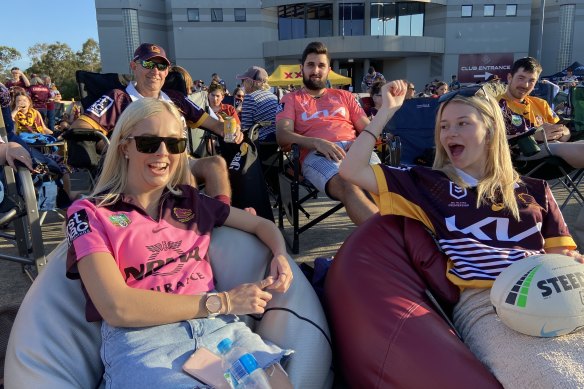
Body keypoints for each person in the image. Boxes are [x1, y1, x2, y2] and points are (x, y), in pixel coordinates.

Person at [339, 80, 584, 387]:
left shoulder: (535, 190)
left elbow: (561, 258)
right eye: (443, 126)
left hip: (554, 291)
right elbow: (350, 170)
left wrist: (573, 262)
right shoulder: (427, 183)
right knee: (557, 379)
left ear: (491, 129)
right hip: (488, 304)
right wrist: (386, 111)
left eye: (462, 123)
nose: (449, 133)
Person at [65, 98, 293, 388]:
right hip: (146, 339)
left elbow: (262, 225)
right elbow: (116, 307)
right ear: (124, 146)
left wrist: (280, 255)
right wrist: (224, 301)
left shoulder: (190, 201)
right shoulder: (90, 213)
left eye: (174, 144)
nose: (163, 154)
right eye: (149, 142)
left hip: (217, 329)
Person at [70, 43, 241, 205]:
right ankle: (189, 227)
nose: (155, 71)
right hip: (140, 162)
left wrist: (233, 128)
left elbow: (216, 126)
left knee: (216, 163)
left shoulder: (176, 99)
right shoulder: (118, 98)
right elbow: (79, 127)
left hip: (179, 158)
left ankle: (221, 217)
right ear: (134, 66)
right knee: (184, 174)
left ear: (167, 72)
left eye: (161, 66)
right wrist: (112, 147)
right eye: (148, 64)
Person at [276, 41, 379, 225]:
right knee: (348, 184)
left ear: (328, 69)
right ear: (302, 68)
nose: (316, 70)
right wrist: (317, 142)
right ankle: (391, 243)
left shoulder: (345, 96)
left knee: (385, 183)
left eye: (321, 65)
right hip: (316, 154)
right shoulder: (291, 99)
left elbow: (369, 129)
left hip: (355, 149)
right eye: (310, 65)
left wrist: (363, 141)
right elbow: (282, 135)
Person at [498, 56, 584, 168]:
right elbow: (491, 140)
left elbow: (564, 129)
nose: (525, 85)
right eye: (521, 78)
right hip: (521, 157)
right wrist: (534, 137)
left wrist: (561, 133)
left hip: (553, 149)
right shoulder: (495, 104)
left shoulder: (540, 103)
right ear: (510, 78)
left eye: (531, 80)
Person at [236, 66, 278, 141]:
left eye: (244, 80)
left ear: (250, 82)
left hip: (258, 142)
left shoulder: (250, 97)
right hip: (275, 140)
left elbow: (246, 129)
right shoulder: (273, 96)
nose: (243, 84)